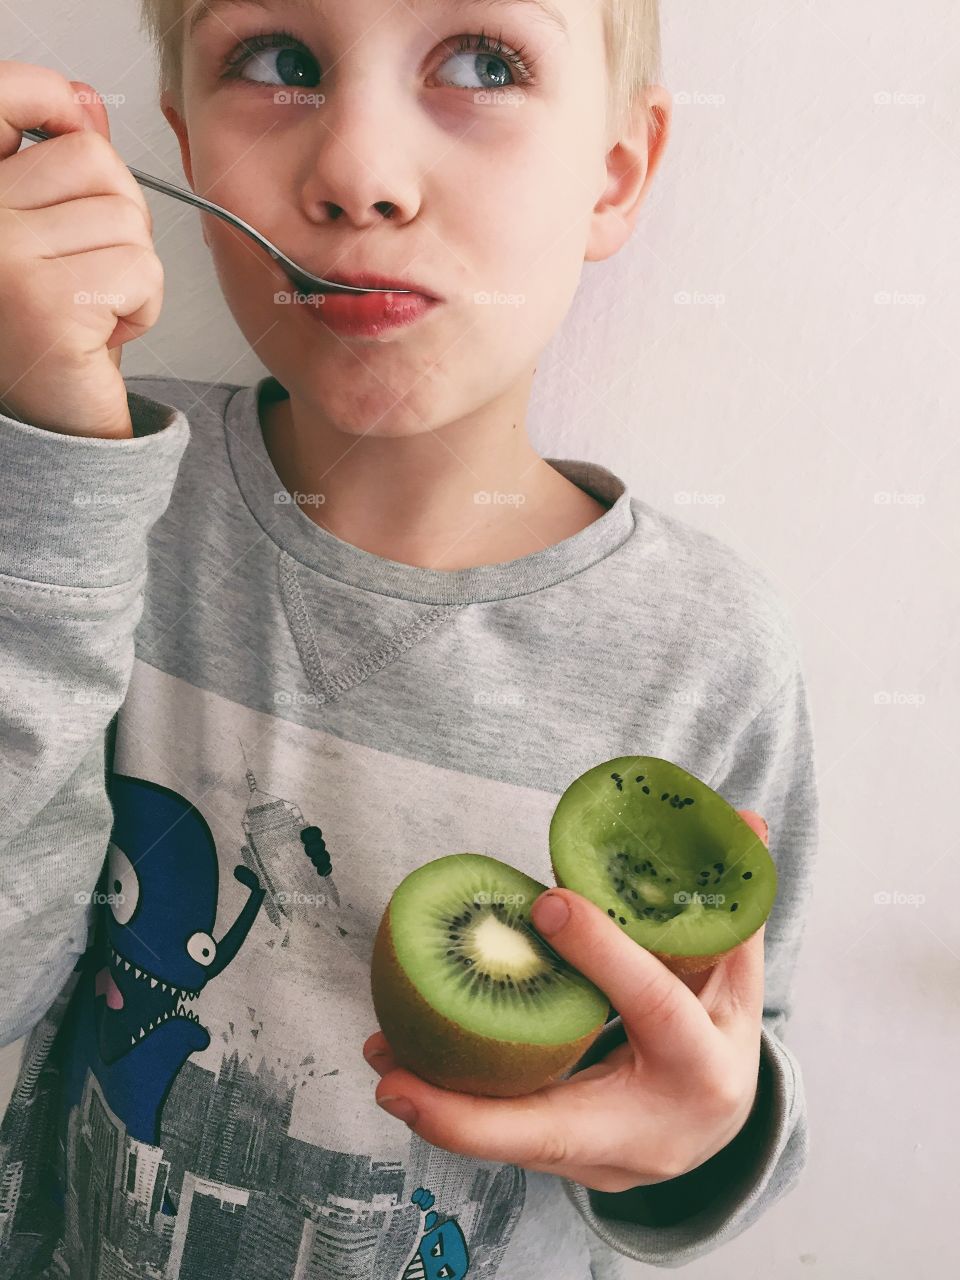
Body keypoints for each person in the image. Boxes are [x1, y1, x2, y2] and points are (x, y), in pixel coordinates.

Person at [0, 2, 819, 1276]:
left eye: (485, 63)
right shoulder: (85, 487)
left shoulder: (703, 650)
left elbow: (718, 1057)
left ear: (615, 176)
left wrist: (698, 1137)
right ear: (182, 151)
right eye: (277, 62)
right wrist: (47, 467)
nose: (356, 177)